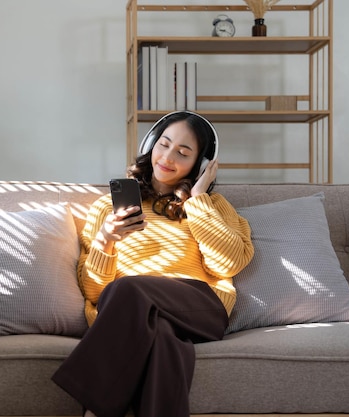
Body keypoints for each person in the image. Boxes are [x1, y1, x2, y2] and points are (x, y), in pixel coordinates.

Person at [51, 111, 255, 417]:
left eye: (183, 153)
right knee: (162, 339)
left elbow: (227, 264)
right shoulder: (106, 208)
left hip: (200, 307)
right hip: (132, 309)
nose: (168, 157)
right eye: (164, 144)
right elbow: (95, 292)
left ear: (199, 166)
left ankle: (93, 410)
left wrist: (197, 198)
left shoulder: (213, 206)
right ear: (150, 145)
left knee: (130, 288)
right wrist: (106, 240)